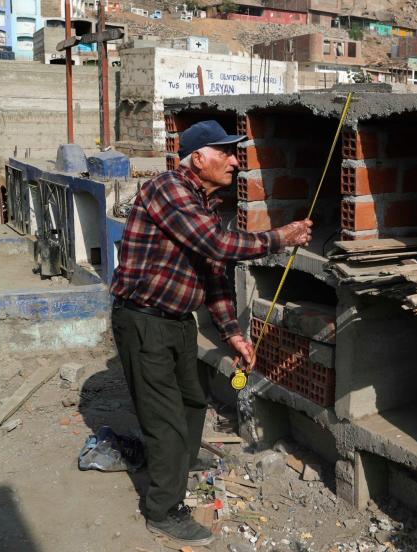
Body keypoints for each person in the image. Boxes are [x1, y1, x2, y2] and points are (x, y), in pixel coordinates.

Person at [109, 120, 312, 545]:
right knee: (164, 420)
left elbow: (214, 273)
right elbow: (219, 245)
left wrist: (232, 333)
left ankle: (178, 463)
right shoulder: (168, 189)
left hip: (177, 321)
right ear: (198, 158)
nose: (236, 161)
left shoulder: (202, 202)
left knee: (191, 402)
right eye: (227, 152)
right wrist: (280, 237)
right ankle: (163, 509)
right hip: (144, 321)